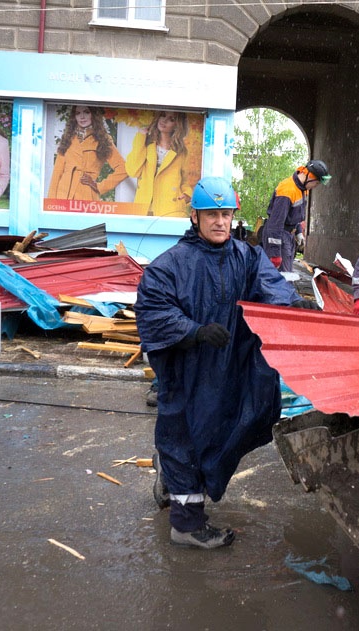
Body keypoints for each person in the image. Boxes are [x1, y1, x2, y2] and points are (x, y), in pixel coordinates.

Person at [135, 176, 321, 549]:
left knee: (225, 430)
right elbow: (153, 309)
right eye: (211, 214)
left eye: (225, 213)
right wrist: (193, 331)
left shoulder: (246, 257)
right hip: (187, 373)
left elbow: (270, 287)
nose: (220, 221)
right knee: (184, 436)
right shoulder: (169, 266)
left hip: (230, 369)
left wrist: (293, 306)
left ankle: (172, 479)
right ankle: (186, 525)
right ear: (195, 217)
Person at [261, 159, 331, 272]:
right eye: (316, 183)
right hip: (278, 234)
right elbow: (275, 224)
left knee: (286, 274)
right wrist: (275, 253)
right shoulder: (287, 190)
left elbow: (296, 214)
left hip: (288, 235)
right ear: (309, 176)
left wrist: (298, 232)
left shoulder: (303, 190)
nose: (315, 187)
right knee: (283, 278)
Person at [47, 105, 127, 201]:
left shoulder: (103, 139)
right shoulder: (68, 138)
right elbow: (57, 173)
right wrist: (51, 202)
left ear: (93, 114)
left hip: (86, 196)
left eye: (86, 112)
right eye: (78, 113)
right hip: (62, 195)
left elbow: (123, 169)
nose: (82, 117)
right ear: (74, 117)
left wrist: (99, 186)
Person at [125, 110, 193, 217]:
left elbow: (185, 181)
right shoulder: (146, 143)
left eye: (171, 119)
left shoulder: (182, 152)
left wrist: (187, 195)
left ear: (177, 126)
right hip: (144, 208)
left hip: (170, 209)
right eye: (163, 115)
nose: (164, 120)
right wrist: (140, 137)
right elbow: (132, 171)